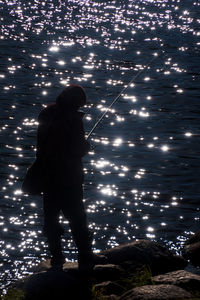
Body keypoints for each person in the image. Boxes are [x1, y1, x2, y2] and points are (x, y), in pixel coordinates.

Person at [36, 84, 105, 271]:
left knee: (51, 217)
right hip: (69, 177)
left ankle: (56, 257)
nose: (79, 108)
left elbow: (42, 145)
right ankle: (85, 256)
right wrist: (85, 147)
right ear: (75, 102)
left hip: (48, 175)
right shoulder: (73, 119)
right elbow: (78, 149)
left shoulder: (46, 113)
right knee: (77, 218)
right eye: (79, 104)